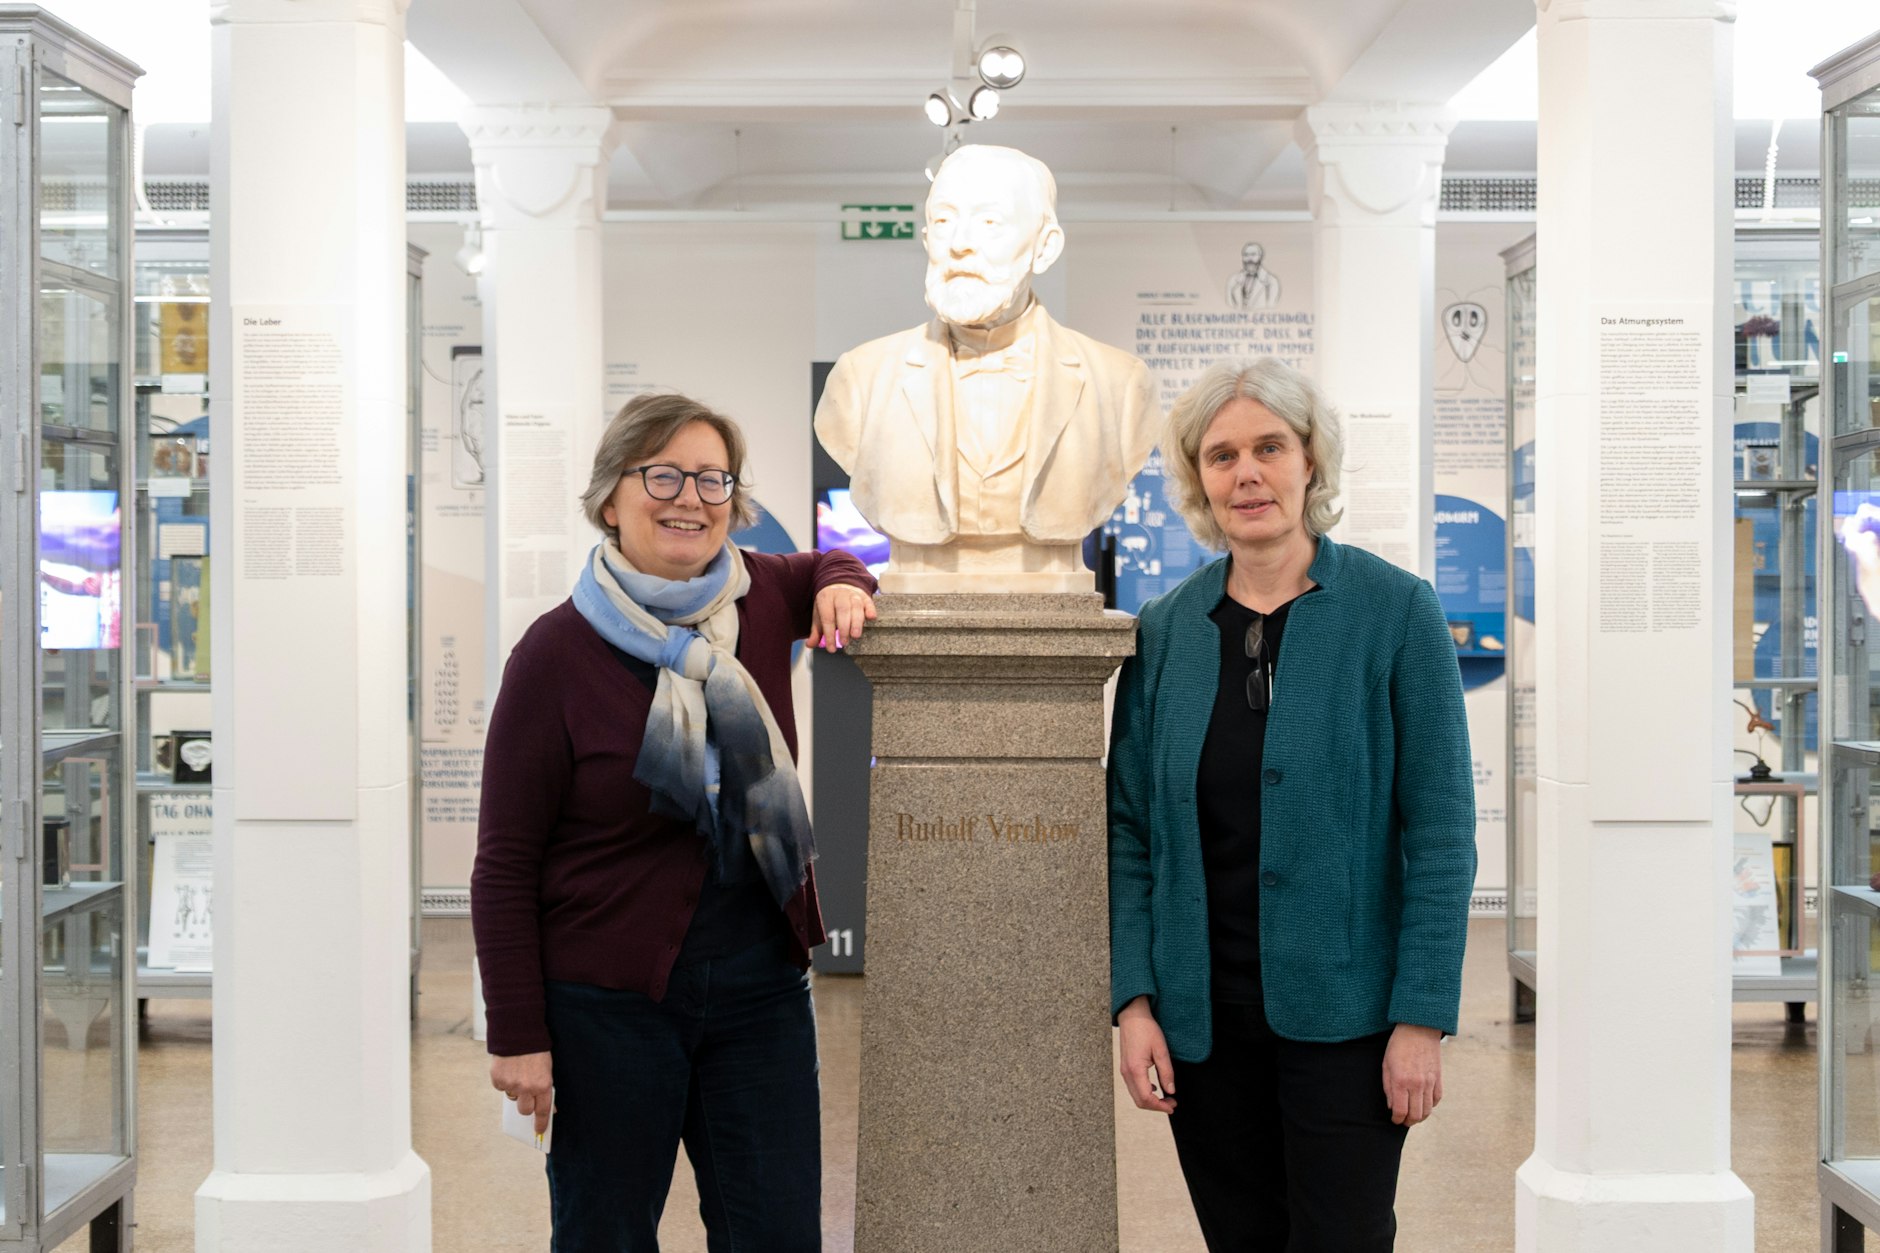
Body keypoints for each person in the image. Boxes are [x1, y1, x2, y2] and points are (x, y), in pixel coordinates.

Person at [471, 392, 877, 1251]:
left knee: (773, 1234)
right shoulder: (553, 654)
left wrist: (843, 583)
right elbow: (504, 861)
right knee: (605, 1236)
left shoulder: (760, 596)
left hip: (760, 988)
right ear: (611, 499)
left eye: (712, 477)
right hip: (605, 1005)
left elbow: (830, 563)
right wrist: (516, 1033)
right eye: (662, 474)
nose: (689, 497)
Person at [1107, 357, 1475, 1251]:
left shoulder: (1394, 613)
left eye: (1269, 446)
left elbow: (1441, 832)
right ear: (1199, 478)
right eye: (1222, 454)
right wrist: (1135, 1002)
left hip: (1348, 1022)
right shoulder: (1164, 631)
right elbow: (1130, 830)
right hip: (1203, 1026)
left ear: (1310, 461)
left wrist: (1421, 1018)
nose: (1247, 473)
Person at [813, 143, 1158, 592]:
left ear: (1045, 247)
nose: (959, 243)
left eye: (990, 222)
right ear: (925, 240)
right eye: (943, 221)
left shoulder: (1119, 385)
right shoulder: (861, 379)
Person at [1225, 241, 1280, 311]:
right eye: (1246, 255)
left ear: (1260, 257)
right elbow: (1228, 308)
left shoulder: (1271, 281)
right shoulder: (1233, 280)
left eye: (1253, 255)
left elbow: (1272, 309)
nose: (1249, 259)